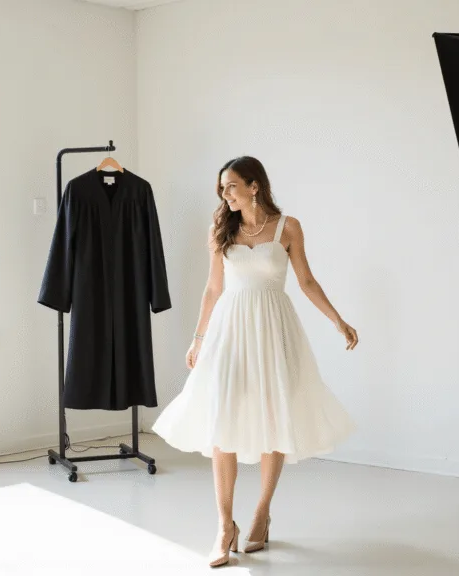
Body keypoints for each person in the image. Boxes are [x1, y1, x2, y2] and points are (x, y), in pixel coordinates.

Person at [151, 156, 358, 567]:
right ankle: (224, 525)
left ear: (254, 186)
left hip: (274, 328)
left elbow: (306, 281)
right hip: (230, 329)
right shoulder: (219, 229)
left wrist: (338, 320)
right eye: (221, 189)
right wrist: (198, 338)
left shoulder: (288, 227)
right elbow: (213, 289)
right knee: (221, 419)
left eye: (230, 186)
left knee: (274, 418)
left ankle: (261, 513)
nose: (225, 194)